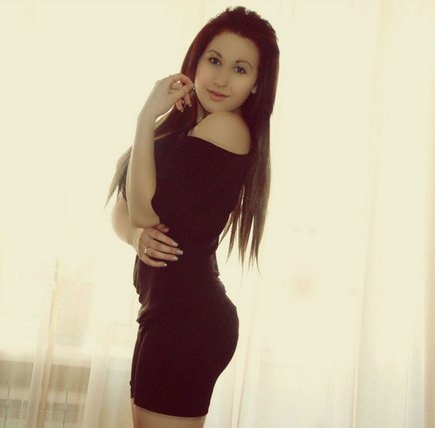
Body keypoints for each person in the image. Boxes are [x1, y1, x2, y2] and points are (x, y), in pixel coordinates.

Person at [108, 6, 279, 427]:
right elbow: (122, 206)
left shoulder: (226, 129)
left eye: (240, 69)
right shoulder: (181, 129)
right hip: (164, 313)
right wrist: (134, 237)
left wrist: (144, 118)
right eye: (214, 60)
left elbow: (144, 209)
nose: (221, 79)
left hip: (189, 319)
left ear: (256, 84)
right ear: (196, 61)